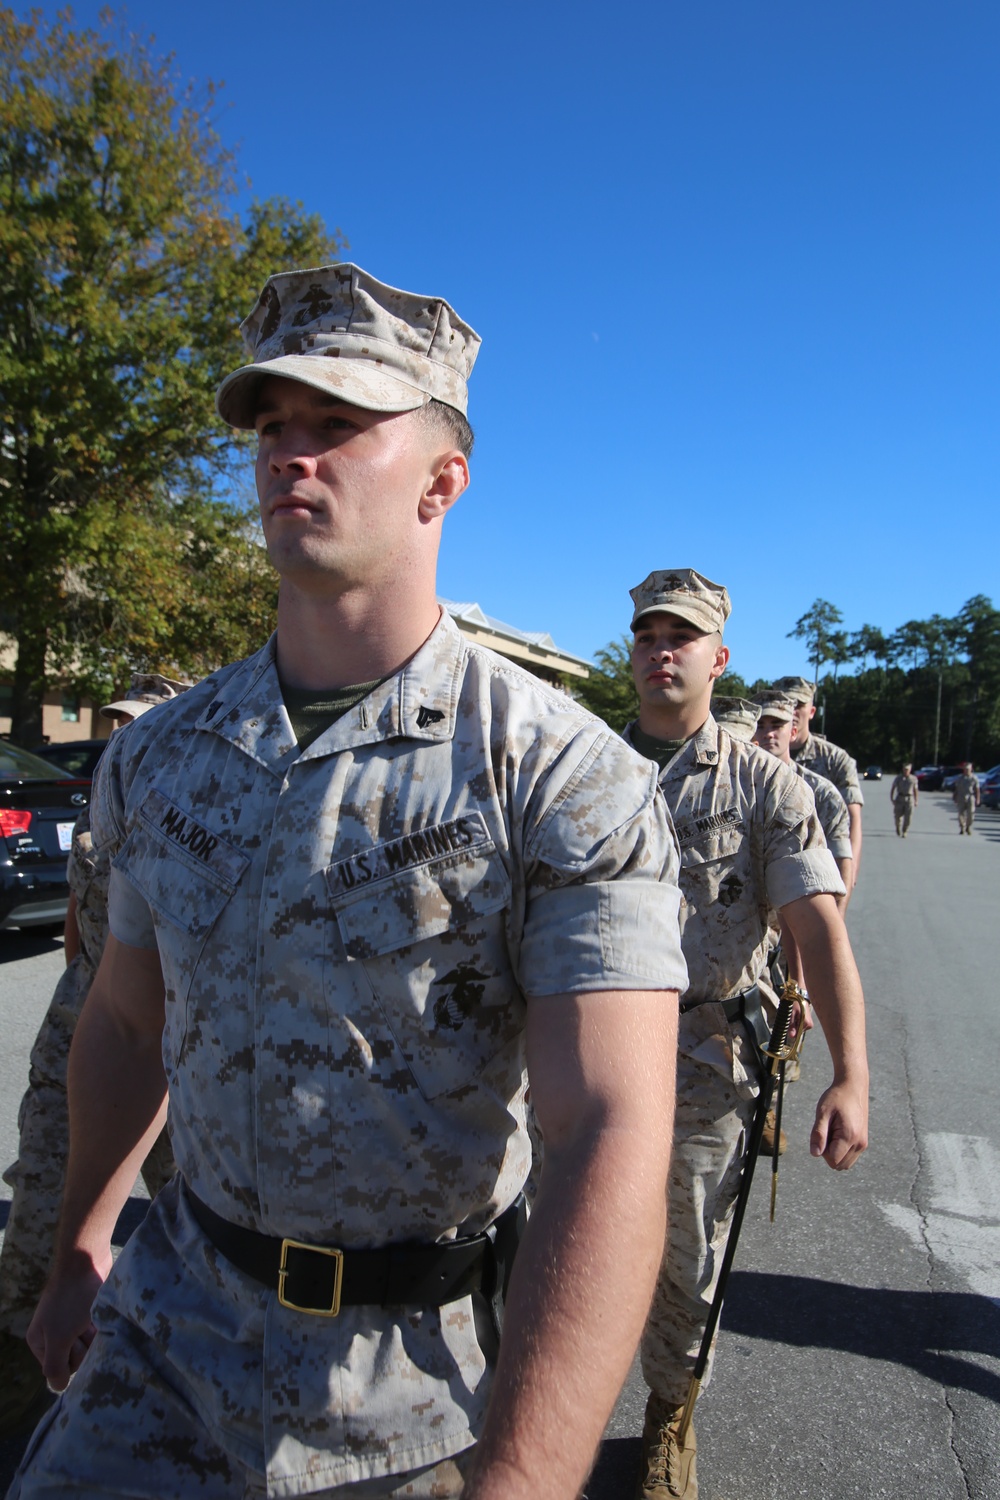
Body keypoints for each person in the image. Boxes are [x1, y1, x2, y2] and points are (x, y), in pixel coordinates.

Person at [14, 264, 688, 1500]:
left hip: (410, 1389)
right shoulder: (158, 754)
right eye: (272, 427)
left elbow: (607, 1131)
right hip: (169, 1330)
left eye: (336, 424)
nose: (289, 456)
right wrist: (76, 1247)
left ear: (442, 480)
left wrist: (526, 1477)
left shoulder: (556, 775)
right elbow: (121, 1019)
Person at [624, 570, 869, 1500]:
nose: (661, 649)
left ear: (717, 659)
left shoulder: (767, 785)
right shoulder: (586, 765)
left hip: (703, 1058)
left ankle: (668, 1419)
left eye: (680, 636)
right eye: (647, 634)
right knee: (553, 1239)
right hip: (576, 1056)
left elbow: (818, 929)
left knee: (688, 1252)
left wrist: (854, 1074)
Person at [0, 674, 187, 1438]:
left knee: (198, 1236)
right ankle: (21, 1400)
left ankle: (177, 1402)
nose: (123, 734)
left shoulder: (198, 818)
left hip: (181, 1068)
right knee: (41, 1227)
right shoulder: (99, 818)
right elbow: (79, 934)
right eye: (118, 722)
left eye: (139, 723)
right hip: (78, 1049)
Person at [751, 691, 853, 905]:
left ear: (793, 732)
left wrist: (836, 919)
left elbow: (841, 863)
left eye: (777, 725)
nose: (768, 733)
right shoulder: (737, 788)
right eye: (761, 726)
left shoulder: (822, 794)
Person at [771, 676, 864, 895]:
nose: (792, 711)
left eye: (799, 705)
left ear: (812, 711)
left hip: (819, 873)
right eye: (786, 703)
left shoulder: (835, 760)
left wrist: (848, 875)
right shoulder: (757, 755)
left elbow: (852, 822)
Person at [889, 763, 919, 838]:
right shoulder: (898, 778)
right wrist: (892, 799)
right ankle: (898, 828)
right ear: (903, 769)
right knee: (897, 816)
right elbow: (893, 788)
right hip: (900, 798)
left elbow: (915, 790)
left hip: (909, 799)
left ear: (910, 770)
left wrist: (916, 800)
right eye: (905, 769)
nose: (906, 771)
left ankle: (905, 831)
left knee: (908, 817)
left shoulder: (913, 779)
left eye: (907, 770)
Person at [952, 763, 980, 834]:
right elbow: (956, 788)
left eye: (967, 769)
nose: (966, 771)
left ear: (971, 769)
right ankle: (962, 827)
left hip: (970, 797)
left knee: (971, 813)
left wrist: (978, 799)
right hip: (961, 797)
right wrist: (954, 796)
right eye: (965, 769)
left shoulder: (974, 778)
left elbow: (977, 789)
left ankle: (968, 826)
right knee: (961, 813)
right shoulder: (960, 778)